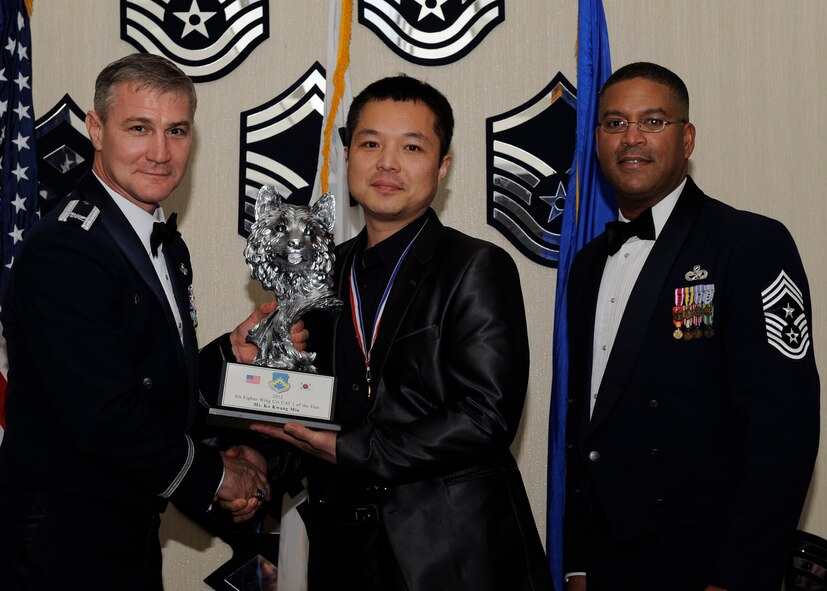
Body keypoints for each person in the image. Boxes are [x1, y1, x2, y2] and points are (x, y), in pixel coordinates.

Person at [0, 53, 303, 591]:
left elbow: (149, 382)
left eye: (177, 130)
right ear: (96, 128)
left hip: (128, 527)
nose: (160, 153)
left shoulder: (161, 241)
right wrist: (215, 476)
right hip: (62, 541)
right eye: (139, 128)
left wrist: (229, 356)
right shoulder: (68, 249)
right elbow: (105, 416)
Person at [250, 75, 552, 590]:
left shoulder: (477, 266)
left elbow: (485, 416)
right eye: (370, 144)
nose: (386, 163)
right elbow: (309, 403)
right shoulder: (319, 274)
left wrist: (353, 451)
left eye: (411, 147)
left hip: (450, 557)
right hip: (341, 554)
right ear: (348, 158)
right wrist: (256, 460)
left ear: (443, 166)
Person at [563, 62, 820, 591]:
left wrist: (739, 574)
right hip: (608, 559)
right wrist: (579, 561)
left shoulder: (749, 244)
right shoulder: (588, 263)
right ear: (597, 140)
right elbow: (585, 423)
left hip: (706, 561)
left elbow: (784, 431)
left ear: (687, 138)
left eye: (652, 121)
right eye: (614, 123)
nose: (631, 138)